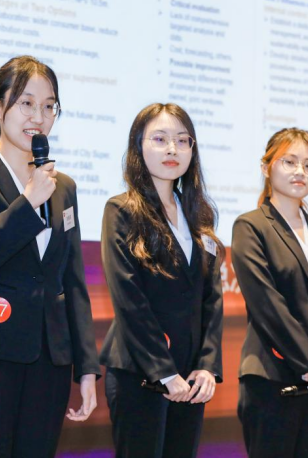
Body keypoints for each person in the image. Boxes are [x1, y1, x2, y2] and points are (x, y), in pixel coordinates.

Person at [0, 55, 100, 458]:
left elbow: (72, 280)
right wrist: (27, 204)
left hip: (50, 358)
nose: (39, 117)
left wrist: (86, 367)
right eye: (26, 103)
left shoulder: (63, 186)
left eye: (49, 106)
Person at [100, 103, 224, 458]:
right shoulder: (121, 210)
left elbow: (212, 300)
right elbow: (129, 299)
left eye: (183, 141)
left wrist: (207, 366)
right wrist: (164, 373)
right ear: (138, 146)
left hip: (191, 378)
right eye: (160, 139)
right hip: (141, 373)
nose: (173, 149)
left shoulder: (199, 214)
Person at [232, 127, 308, 458]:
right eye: (290, 161)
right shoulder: (251, 226)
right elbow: (267, 304)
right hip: (272, 377)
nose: (300, 171)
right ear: (266, 167)